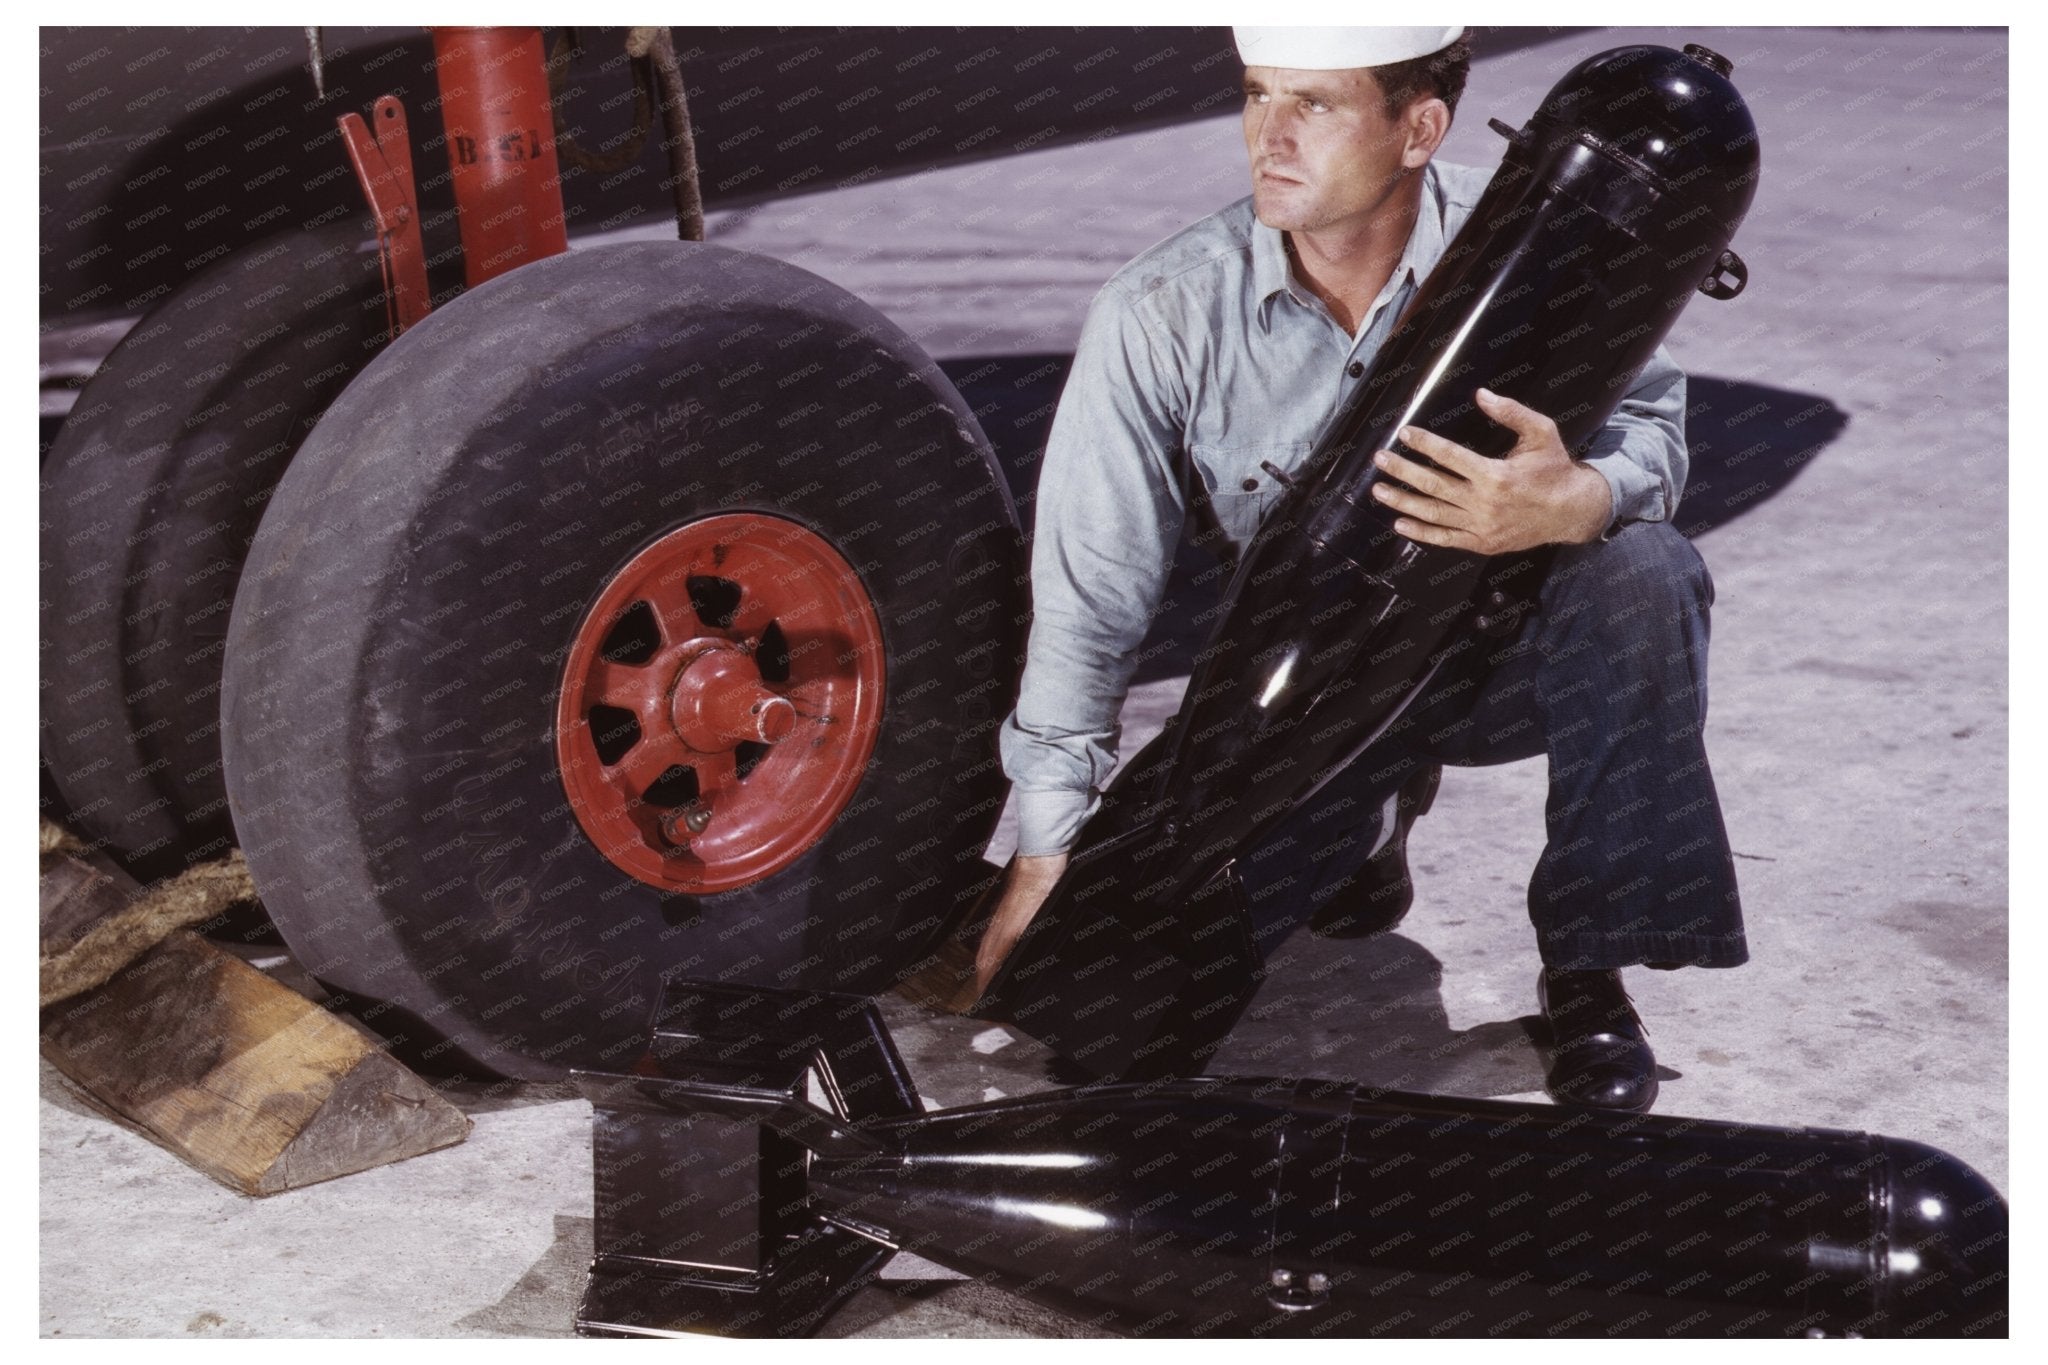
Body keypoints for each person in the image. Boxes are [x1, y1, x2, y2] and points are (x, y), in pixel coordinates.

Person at [976, 26, 1748, 1113]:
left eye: (1316, 106)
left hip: (1507, 649)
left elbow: (1649, 438)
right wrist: (1046, 849)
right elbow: (1087, 591)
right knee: (1102, 1043)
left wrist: (1574, 498)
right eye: (1255, 95)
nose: (1267, 137)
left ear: (1419, 127)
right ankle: (1364, 827)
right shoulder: (1160, 314)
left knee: (1642, 570)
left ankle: (1587, 971)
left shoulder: (1548, 238)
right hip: (1314, 682)